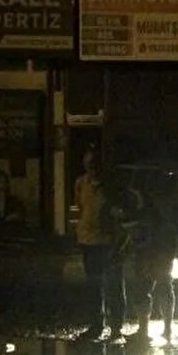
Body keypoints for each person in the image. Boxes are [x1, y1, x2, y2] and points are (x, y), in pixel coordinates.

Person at [73, 144, 125, 341]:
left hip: (108, 240)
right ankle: (96, 324)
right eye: (87, 165)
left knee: (113, 284)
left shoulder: (110, 185)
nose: (90, 169)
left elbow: (118, 209)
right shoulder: (81, 183)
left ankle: (115, 326)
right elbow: (80, 207)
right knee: (94, 286)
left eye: (93, 165)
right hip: (89, 240)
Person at [125, 190, 178, 343]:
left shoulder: (143, 213)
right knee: (162, 288)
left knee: (145, 289)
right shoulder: (163, 209)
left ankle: (146, 330)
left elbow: (138, 234)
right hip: (160, 251)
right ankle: (164, 329)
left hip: (151, 253)